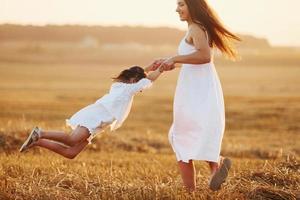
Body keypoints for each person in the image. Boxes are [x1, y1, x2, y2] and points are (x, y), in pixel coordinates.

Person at [150, 0, 241, 192]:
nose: (177, 9)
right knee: (195, 132)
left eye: (181, 4)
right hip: (199, 87)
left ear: (193, 5)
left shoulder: (196, 29)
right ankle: (216, 168)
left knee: (179, 136)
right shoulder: (194, 28)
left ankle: (191, 191)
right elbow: (195, 58)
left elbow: (205, 56)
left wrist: (174, 58)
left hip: (196, 90)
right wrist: (169, 62)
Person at [19, 65, 164, 159]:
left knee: (71, 153)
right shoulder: (127, 89)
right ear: (133, 80)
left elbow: (141, 77)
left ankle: (38, 141)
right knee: (72, 140)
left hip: (97, 124)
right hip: (93, 118)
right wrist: (161, 69)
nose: (140, 90)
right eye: (139, 84)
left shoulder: (120, 86)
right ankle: (41, 133)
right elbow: (148, 80)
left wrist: (150, 67)